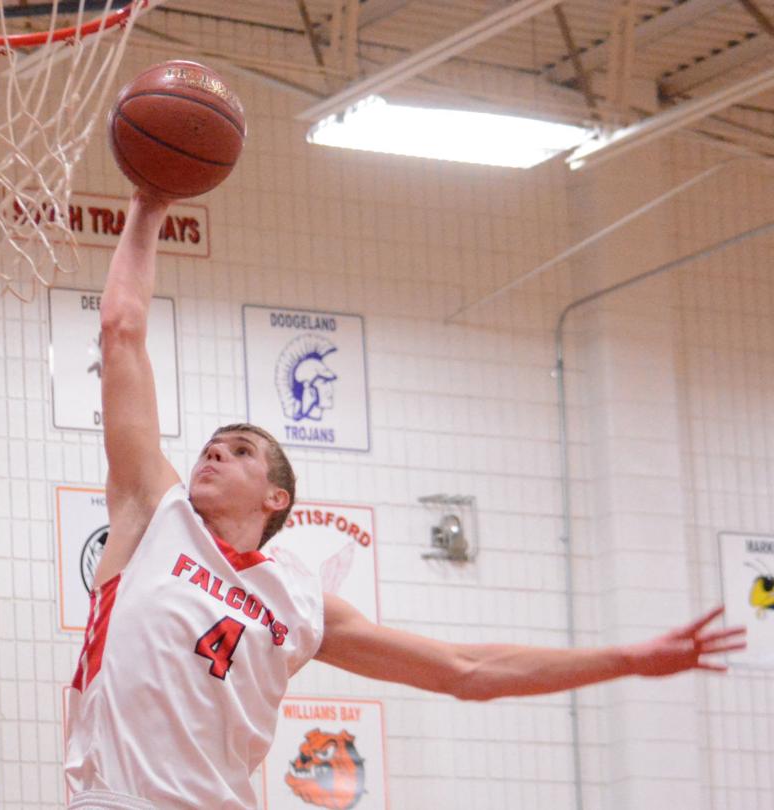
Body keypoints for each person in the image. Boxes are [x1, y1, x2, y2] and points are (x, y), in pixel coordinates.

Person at [63, 191, 748, 810]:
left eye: (241, 450)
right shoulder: (153, 513)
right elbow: (122, 330)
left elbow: (467, 671)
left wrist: (626, 659)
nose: (214, 453)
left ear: (277, 498)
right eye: (212, 446)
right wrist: (149, 206)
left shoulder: (299, 602)